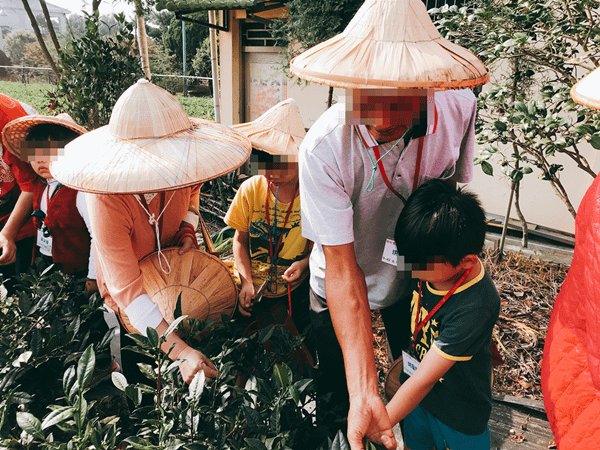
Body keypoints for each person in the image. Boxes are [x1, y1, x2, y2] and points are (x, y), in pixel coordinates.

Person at [293, 0, 490, 447]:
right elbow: (344, 270)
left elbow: (453, 208)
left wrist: (471, 308)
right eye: (369, 97)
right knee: (342, 395)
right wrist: (364, 387)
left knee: (419, 372)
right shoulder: (323, 149)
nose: (382, 118)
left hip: (416, 276)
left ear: (429, 85)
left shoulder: (459, 108)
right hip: (340, 280)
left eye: (400, 99)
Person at [49, 79, 251, 384]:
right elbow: (128, 292)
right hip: (128, 295)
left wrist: (187, 227)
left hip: (174, 276)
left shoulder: (183, 166)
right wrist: (182, 352)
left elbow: (193, 194)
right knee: (143, 369)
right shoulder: (106, 198)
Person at [385, 179, 499, 450]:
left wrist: (380, 421)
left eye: (419, 266)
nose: (410, 269)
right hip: (415, 395)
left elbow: (425, 380)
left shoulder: (477, 304)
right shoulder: (426, 255)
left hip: (458, 410)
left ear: (466, 262)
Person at [225, 99, 312, 341]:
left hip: (295, 291)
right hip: (253, 288)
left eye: (281, 163)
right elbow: (240, 241)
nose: (272, 172)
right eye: (265, 162)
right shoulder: (251, 189)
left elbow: (319, 247)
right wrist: (246, 282)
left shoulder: (311, 195)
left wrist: (305, 263)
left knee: (291, 348)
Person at [1, 113, 97, 291]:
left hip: (77, 272)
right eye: (34, 153)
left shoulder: (80, 191)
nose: (40, 160)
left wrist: (93, 279)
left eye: (50, 152)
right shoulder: (39, 185)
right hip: (45, 264)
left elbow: (97, 238)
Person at [0, 95, 39, 293]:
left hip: (23, 208)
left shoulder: (13, 124)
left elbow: (31, 185)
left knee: (21, 285)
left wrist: (8, 233)